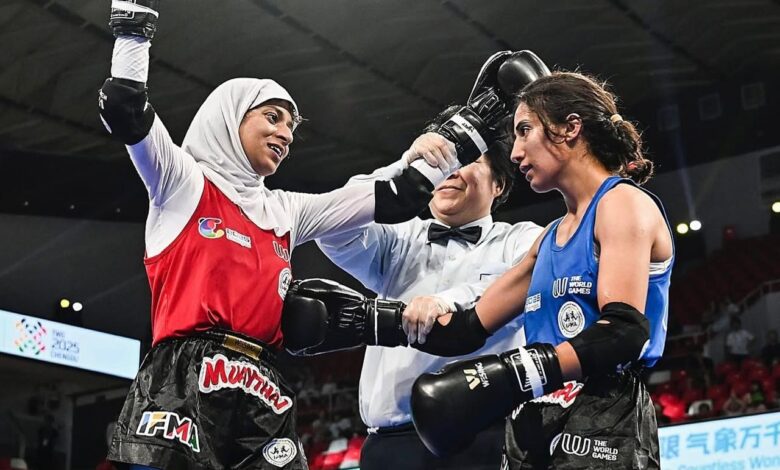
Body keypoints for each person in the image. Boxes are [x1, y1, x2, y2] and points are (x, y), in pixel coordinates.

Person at [98, 3, 520, 469]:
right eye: (272, 117)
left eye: (291, 126)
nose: (285, 134)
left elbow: (393, 198)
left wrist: (464, 132)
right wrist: (134, 27)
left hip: (260, 382)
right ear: (230, 116)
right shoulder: (181, 182)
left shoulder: (286, 209)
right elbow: (125, 106)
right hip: (182, 379)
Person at [388, 71, 673, 469]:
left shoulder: (622, 203)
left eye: (524, 131)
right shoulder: (549, 238)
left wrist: (516, 372)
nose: (516, 153)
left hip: (604, 415)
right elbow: (467, 327)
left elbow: (623, 332)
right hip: (534, 414)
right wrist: (369, 321)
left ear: (570, 128)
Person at [314, 106, 543, 469]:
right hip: (391, 448)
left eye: (465, 159)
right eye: (443, 159)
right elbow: (331, 224)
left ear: (498, 183)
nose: (450, 170)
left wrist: (445, 301)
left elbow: (517, 282)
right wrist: (403, 167)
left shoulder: (521, 239)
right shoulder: (398, 238)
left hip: (486, 440)